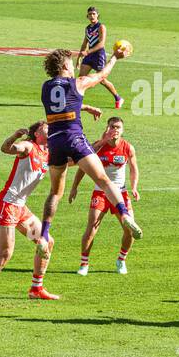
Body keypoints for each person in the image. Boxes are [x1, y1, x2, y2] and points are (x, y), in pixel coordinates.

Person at [38, 48, 142, 248]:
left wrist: (86, 107)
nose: (73, 66)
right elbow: (102, 75)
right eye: (71, 63)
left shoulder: (46, 87)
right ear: (65, 66)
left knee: (55, 193)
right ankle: (124, 213)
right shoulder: (77, 83)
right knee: (103, 180)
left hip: (55, 141)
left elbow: (63, 105)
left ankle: (44, 235)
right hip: (74, 138)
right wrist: (115, 58)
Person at [0, 122, 62, 300]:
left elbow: (73, 160)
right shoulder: (29, 147)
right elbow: (6, 149)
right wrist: (14, 136)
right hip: (8, 204)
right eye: (45, 127)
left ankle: (36, 289)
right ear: (36, 133)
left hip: (20, 207)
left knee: (47, 241)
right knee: (6, 252)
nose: (49, 128)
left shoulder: (48, 153)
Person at [69, 116, 139, 275]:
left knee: (130, 229)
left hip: (121, 193)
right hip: (100, 192)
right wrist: (74, 187)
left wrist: (134, 187)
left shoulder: (128, 148)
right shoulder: (97, 147)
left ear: (123, 130)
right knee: (92, 227)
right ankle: (84, 264)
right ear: (107, 128)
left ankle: (121, 260)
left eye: (118, 127)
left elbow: (134, 168)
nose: (115, 130)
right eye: (112, 126)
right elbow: (82, 167)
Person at [77, 7, 123, 109]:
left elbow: (101, 44)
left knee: (102, 79)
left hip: (98, 55)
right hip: (89, 56)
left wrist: (88, 51)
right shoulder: (87, 28)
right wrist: (79, 58)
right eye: (90, 14)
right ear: (87, 16)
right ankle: (76, 101)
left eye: (94, 14)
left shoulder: (101, 27)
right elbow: (85, 43)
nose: (92, 16)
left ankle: (118, 98)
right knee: (80, 79)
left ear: (97, 15)